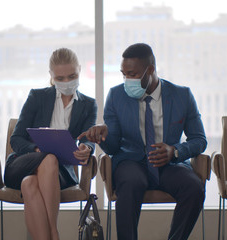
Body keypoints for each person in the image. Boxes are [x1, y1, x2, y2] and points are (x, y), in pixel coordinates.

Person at [79, 43, 207, 240]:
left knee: (194, 188)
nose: (127, 80)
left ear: (151, 70)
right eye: (124, 74)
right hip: (131, 162)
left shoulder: (182, 95)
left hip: (168, 164)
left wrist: (174, 151)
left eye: (132, 74)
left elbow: (199, 139)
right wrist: (102, 136)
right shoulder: (116, 95)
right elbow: (113, 146)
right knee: (131, 184)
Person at [4, 48, 97, 240]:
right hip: (23, 164)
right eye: (60, 78)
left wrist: (86, 148)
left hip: (60, 173)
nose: (66, 82)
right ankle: (54, 232)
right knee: (48, 158)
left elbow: (88, 138)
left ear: (79, 70)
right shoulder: (37, 97)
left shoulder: (88, 105)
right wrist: (37, 149)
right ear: (51, 76)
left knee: (29, 184)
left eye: (72, 76)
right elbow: (16, 139)